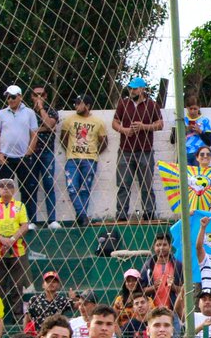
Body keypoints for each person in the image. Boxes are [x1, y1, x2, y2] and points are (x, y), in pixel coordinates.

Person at [112, 77, 164, 220]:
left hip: (145, 151)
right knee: (123, 184)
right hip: (125, 150)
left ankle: (148, 213)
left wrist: (143, 127)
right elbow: (115, 122)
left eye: (134, 88)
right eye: (130, 88)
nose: (131, 91)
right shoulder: (123, 103)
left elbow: (160, 124)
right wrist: (124, 130)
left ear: (142, 89)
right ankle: (121, 214)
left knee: (146, 184)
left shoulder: (153, 105)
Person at [58, 94, 106, 225]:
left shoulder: (98, 122)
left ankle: (82, 220)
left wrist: (94, 153)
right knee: (72, 188)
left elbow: (104, 141)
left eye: (79, 103)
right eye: (76, 103)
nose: (76, 106)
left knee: (85, 189)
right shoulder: (69, 120)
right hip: (72, 159)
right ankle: (83, 215)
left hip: (90, 160)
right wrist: (71, 150)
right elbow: (63, 138)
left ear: (88, 106)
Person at [0, 178, 29, 308]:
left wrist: (12, 239)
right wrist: (1, 239)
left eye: (9, 186)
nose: (5, 188)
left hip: (18, 250)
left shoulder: (20, 206)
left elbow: (25, 225)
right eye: (2, 186)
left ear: (14, 190)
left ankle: (18, 315)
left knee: (17, 284)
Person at [24, 84, 59, 227]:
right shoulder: (25, 112)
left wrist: (41, 109)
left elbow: (49, 124)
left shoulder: (51, 111)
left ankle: (52, 220)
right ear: (31, 96)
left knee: (49, 184)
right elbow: (24, 130)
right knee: (30, 186)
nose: (39, 97)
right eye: (35, 94)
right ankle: (32, 220)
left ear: (45, 96)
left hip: (47, 152)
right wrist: (42, 129)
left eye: (41, 94)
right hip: (31, 153)